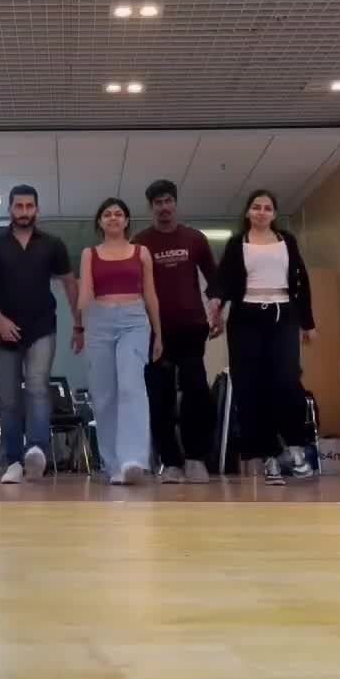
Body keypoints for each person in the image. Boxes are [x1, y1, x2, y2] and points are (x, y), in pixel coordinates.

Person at [210, 189, 317, 486]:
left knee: (286, 380)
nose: (261, 212)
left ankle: (295, 448)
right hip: (246, 318)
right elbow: (224, 280)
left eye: (267, 208)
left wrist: (308, 323)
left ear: (274, 214)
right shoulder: (237, 243)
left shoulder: (287, 240)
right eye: (256, 207)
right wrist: (216, 304)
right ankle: (269, 457)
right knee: (251, 386)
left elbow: (301, 281)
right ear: (247, 212)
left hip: (283, 314)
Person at [0, 184, 82, 485]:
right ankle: (13, 461)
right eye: (18, 206)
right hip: (4, 332)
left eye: (29, 206)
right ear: (10, 209)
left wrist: (79, 324)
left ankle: (36, 451)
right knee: (9, 400)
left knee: (37, 388)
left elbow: (70, 284)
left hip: (41, 328)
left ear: (37, 209)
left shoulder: (52, 244)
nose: (24, 211)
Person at [133, 179, 220, 485]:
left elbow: (215, 279)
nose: (164, 207)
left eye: (168, 201)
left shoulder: (194, 238)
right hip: (155, 333)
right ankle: (171, 462)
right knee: (160, 398)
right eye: (158, 203)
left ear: (175, 203)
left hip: (192, 328)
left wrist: (217, 311)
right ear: (151, 207)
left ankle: (196, 459)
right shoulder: (140, 242)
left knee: (196, 392)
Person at [78, 198, 162, 485]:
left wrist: (158, 333)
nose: (113, 218)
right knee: (104, 394)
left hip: (134, 320)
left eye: (118, 214)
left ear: (126, 221)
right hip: (98, 320)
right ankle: (114, 464)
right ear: (100, 222)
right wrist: (79, 325)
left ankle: (133, 459)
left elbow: (150, 293)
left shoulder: (141, 252)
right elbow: (85, 292)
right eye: (107, 214)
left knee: (131, 387)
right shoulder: (89, 253)